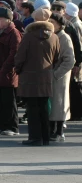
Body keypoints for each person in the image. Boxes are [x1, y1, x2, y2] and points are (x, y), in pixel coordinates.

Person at [14, 9, 60, 145]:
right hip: (46, 77)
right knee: (44, 107)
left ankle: (35, 137)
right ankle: (45, 137)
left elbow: (20, 57)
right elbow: (57, 57)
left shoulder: (28, 36)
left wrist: (18, 69)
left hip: (29, 77)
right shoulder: (54, 37)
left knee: (32, 108)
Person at [0, 7, 22, 136]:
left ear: (8, 20)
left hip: (8, 73)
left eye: (0, 20)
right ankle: (0, 125)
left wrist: (5, 69)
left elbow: (14, 54)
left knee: (9, 102)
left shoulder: (13, 33)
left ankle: (12, 127)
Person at [48, 13, 74, 142]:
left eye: (53, 22)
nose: (50, 24)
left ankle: (59, 132)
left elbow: (69, 60)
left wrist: (56, 74)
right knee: (53, 105)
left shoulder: (64, 38)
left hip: (60, 76)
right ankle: (52, 130)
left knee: (60, 104)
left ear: (60, 24)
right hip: (52, 75)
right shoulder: (52, 36)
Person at [64, 2, 82, 120]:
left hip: (77, 61)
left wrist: (77, 63)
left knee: (76, 87)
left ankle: (77, 113)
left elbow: (78, 45)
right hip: (77, 60)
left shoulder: (75, 24)